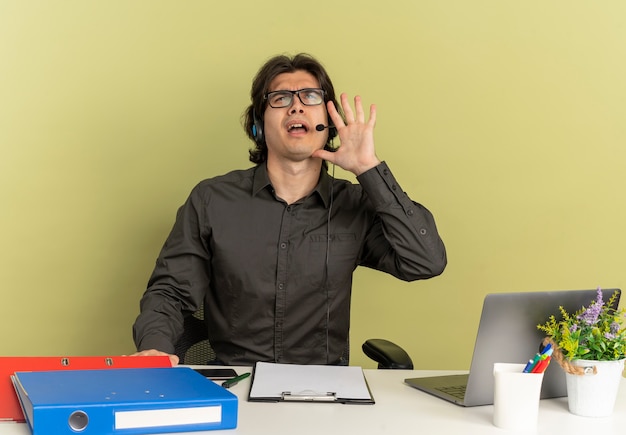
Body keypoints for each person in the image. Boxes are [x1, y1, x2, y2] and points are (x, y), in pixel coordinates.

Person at [132, 53, 446, 366]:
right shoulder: (212, 200)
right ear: (258, 124)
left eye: (310, 97)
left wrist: (368, 168)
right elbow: (169, 292)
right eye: (280, 98)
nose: (296, 106)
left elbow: (425, 261)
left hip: (324, 392)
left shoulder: (354, 204)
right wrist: (156, 348)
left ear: (330, 124)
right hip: (236, 383)